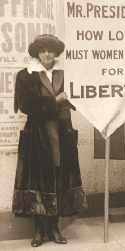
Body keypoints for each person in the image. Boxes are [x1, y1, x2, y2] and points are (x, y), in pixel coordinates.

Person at [12, 34, 88, 247]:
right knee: (38, 179)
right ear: (37, 53)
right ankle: (38, 231)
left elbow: (77, 98)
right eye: (43, 50)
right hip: (38, 135)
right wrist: (55, 101)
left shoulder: (65, 74)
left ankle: (54, 227)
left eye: (51, 50)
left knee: (58, 178)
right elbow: (26, 105)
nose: (47, 54)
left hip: (62, 134)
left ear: (57, 53)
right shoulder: (25, 76)